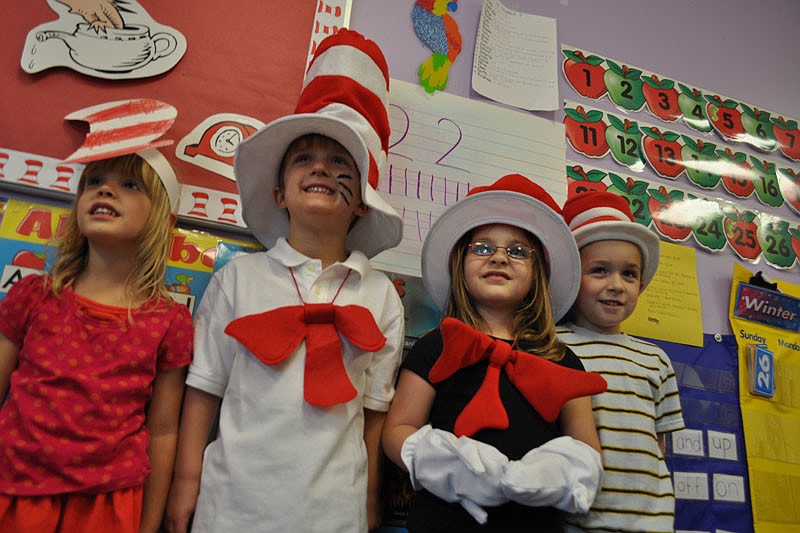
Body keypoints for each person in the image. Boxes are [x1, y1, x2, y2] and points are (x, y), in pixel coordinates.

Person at [165, 29, 405, 533]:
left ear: (362, 200)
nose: (321, 166)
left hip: (333, 514)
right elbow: (205, 387)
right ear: (279, 194)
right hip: (230, 507)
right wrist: (186, 481)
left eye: (341, 161)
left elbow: (375, 411)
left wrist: (368, 501)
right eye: (304, 158)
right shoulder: (239, 278)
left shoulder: (381, 294)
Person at [382, 174, 609, 533]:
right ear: (461, 263)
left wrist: (555, 474)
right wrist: (440, 463)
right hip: (444, 523)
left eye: (518, 251)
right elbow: (397, 429)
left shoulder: (561, 359)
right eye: (483, 247)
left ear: (539, 272)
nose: (500, 258)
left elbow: (588, 449)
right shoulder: (435, 345)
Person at [0, 148, 193, 533]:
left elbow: (164, 431)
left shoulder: (168, 322)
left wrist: (149, 524)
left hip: (108, 506)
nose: (104, 191)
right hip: (14, 489)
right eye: (93, 182)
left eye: (128, 184)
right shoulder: (34, 296)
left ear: (162, 219)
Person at [558, 191, 685, 533]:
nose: (616, 285)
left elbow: (657, 445)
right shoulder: (551, 347)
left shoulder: (655, 359)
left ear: (641, 285)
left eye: (629, 275)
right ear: (572, 277)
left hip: (650, 521)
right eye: (599, 271)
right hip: (575, 518)